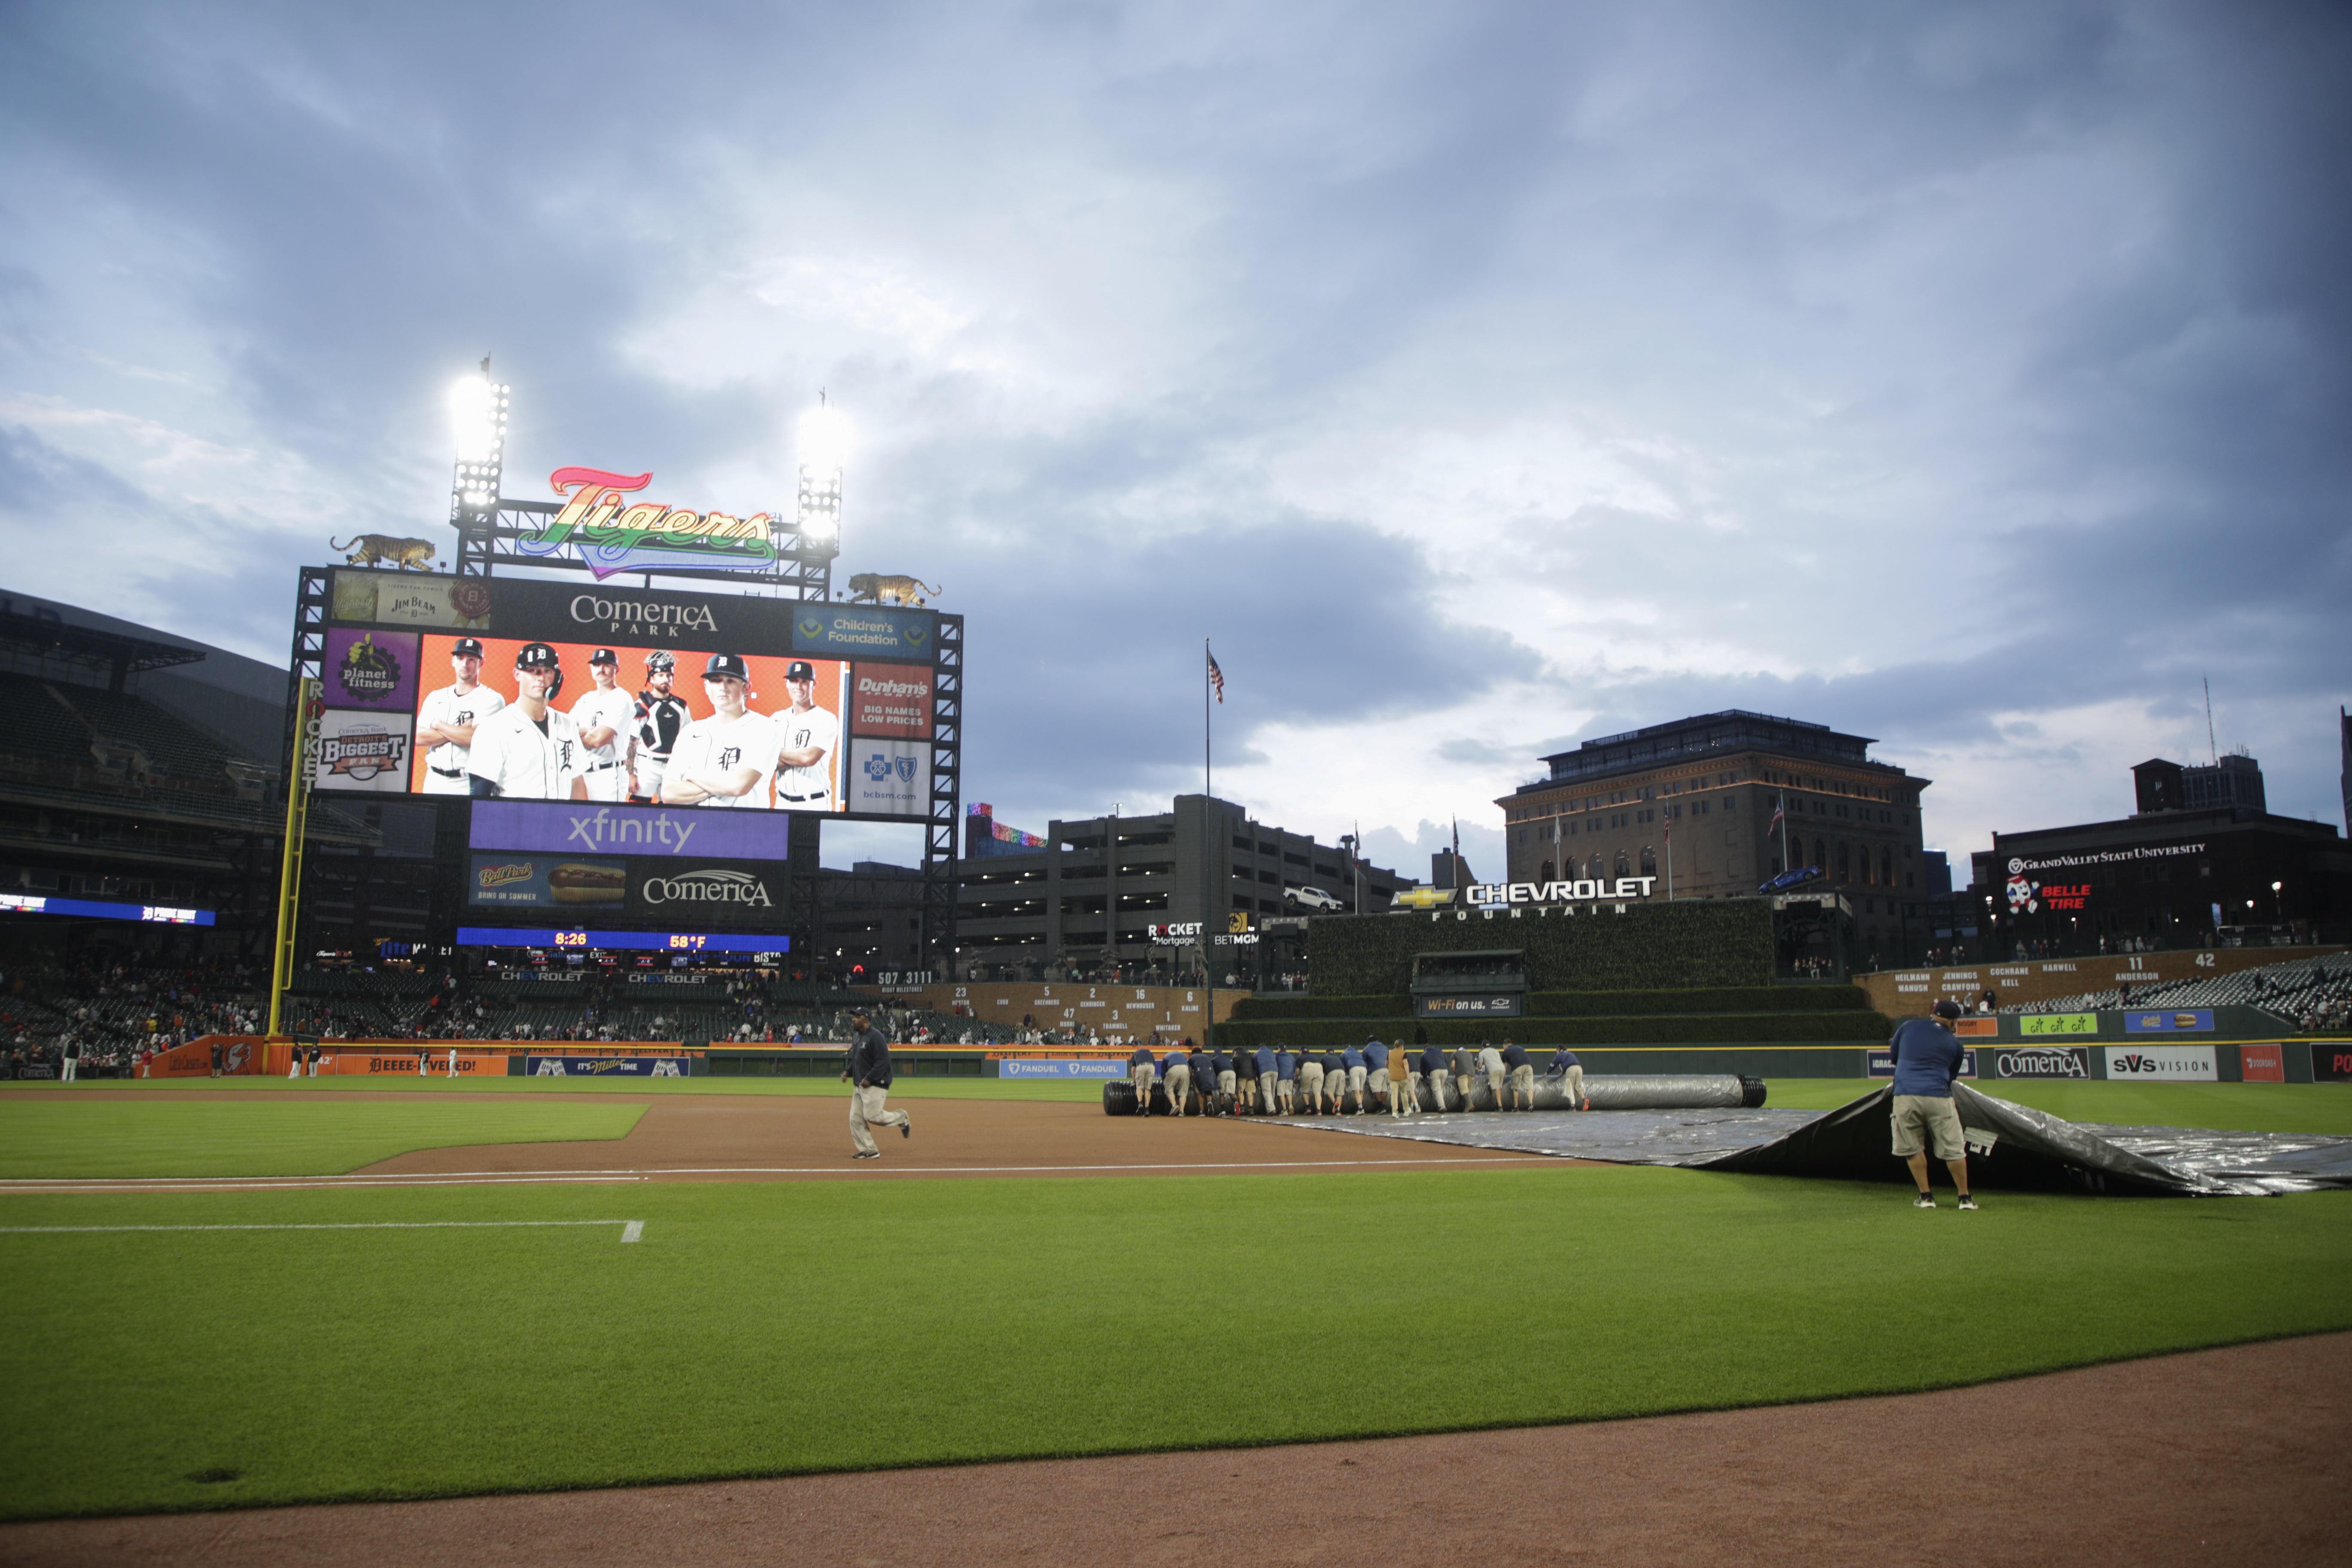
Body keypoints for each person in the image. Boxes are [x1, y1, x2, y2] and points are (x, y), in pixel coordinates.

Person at [468, 643, 588, 800]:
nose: (541, 677)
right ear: (517, 674)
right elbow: (479, 794)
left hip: (561, 822)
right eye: (532, 671)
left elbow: (577, 782)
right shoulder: (494, 728)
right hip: (515, 821)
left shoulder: (568, 724)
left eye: (548, 671)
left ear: (557, 678)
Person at [662, 655, 780, 808]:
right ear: (706, 687)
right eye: (716, 680)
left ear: (746, 688)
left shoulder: (763, 728)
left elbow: (739, 786)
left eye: (730, 681)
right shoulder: (690, 731)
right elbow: (668, 794)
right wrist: (724, 785)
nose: (722, 687)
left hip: (746, 827)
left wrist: (692, 775)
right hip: (696, 827)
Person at [1891, 1000, 1977, 1210]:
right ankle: (1965, 1199)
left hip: (1906, 1094)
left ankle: (1926, 1197)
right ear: (1954, 1021)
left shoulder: (1908, 1026)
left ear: (1933, 1013)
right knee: (1954, 1149)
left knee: (1912, 1147)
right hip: (1939, 1096)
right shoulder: (1956, 1044)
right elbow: (1951, 1078)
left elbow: (1895, 1057)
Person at [417, 637, 505, 794]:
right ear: (453, 661)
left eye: (471, 659)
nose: (465, 664)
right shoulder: (435, 697)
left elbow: (475, 739)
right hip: (433, 779)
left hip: (468, 782)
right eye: (460, 658)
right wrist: (460, 730)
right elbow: (417, 738)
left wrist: (438, 725)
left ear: (481, 663)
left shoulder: (492, 699)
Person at [569, 648, 637, 802]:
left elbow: (598, 740)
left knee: (605, 823)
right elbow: (565, 731)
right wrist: (591, 731)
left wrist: (579, 733)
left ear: (616, 669)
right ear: (591, 668)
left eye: (606, 665)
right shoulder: (585, 699)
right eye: (597, 665)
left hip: (607, 775)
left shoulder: (621, 698)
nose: (601, 669)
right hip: (581, 773)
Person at [772, 660, 840, 810]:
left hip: (814, 803)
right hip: (781, 802)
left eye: (804, 681)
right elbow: (766, 764)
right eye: (794, 681)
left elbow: (808, 758)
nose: (798, 686)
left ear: (813, 684)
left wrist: (774, 751)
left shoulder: (825, 718)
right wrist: (797, 756)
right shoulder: (776, 719)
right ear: (787, 684)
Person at [843, 1009, 910, 1158]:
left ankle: (901, 1118)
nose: (853, 1019)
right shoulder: (857, 1037)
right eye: (853, 1016)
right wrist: (848, 1072)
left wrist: (870, 1078)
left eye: (857, 1017)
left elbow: (884, 1061)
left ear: (866, 1020)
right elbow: (857, 1061)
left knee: (872, 1116)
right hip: (859, 1085)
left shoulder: (876, 1036)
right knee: (856, 1119)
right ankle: (870, 1150)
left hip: (876, 1083)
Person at [631, 651, 692, 803]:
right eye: (661, 675)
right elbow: (632, 741)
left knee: (670, 810)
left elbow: (689, 738)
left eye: (669, 676)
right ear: (651, 678)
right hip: (647, 765)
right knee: (637, 809)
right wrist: (631, 774)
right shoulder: (643, 705)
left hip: (673, 765)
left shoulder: (681, 706)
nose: (666, 679)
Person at [1548, 1046, 1588, 1111]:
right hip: (1579, 1068)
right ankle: (1584, 1099)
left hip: (1571, 1069)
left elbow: (1553, 1065)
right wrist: (1563, 1072)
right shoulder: (1571, 1054)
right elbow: (1571, 1062)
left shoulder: (1560, 1055)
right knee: (1578, 1087)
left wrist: (1547, 1073)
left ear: (1559, 1050)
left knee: (1570, 1088)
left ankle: (1573, 1106)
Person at [1500, 1038, 1534, 1110]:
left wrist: (1503, 1077)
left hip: (1518, 1068)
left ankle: (1516, 1107)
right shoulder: (1520, 1048)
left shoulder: (1506, 1052)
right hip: (1529, 1066)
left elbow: (1505, 1067)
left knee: (1516, 1088)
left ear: (1505, 1046)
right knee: (1529, 1087)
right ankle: (1531, 1104)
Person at [1128, 1040, 1158, 1114]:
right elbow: (1154, 1065)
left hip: (1141, 1066)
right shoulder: (1150, 1053)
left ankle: (1140, 1103)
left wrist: (1134, 1081)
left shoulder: (1135, 1053)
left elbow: (1133, 1070)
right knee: (1148, 1089)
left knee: (1140, 1087)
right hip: (1151, 1067)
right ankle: (1147, 1109)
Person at [1163, 1044, 1192, 1118]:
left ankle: (1174, 1106)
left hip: (1173, 1068)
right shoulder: (1183, 1055)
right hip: (1185, 1069)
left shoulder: (1167, 1056)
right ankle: (1182, 1112)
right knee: (1183, 1092)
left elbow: (1163, 1071)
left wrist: (1164, 1081)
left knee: (1168, 1087)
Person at [1421, 1042, 1451, 1111]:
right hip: (1445, 1070)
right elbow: (1446, 1062)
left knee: (1437, 1089)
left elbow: (1422, 1070)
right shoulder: (1440, 1052)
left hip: (1434, 1071)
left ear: (1425, 1049)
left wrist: (1425, 1077)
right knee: (1441, 1088)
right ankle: (1441, 1104)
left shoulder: (1424, 1055)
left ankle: (1442, 1107)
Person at [1477, 1041, 1506, 1110]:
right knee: (1499, 1088)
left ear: (1483, 1047)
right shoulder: (1496, 1051)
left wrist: (1477, 1068)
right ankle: (1499, 1104)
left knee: (1497, 1089)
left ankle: (1500, 1107)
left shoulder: (1482, 1053)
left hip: (1494, 1070)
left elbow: (1480, 1066)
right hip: (1503, 1069)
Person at [1341, 1041, 1367, 1115]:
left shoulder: (1344, 1053)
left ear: (1345, 1049)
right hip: (1364, 1069)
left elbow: (1343, 1066)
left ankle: (1361, 1109)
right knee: (1361, 1091)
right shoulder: (1358, 1052)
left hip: (1354, 1069)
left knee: (1357, 1091)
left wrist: (1348, 1073)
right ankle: (1360, 1108)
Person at [1298, 1047, 1325, 1116]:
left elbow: (1297, 1072)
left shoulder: (1300, 1057)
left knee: (1305, 1091)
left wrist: (1295, 1079)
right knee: (1318, 1093)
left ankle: (1308, 1108)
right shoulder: (1314, 1056)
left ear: (1301, 1052)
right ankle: (1319, 1110)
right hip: (1319, 1069)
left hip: (1308, 1067)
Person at [1253, 1044, 1277, 1114]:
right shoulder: (1272, 1052)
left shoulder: (1257, 1053)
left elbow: (1256, 1067)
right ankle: (1270, 1109)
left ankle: (1272, 1109)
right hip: (1275, 1071)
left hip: (1264, 1072)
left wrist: (1258, 1077)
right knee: (1272, 1090)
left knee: (1267, 1091)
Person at [1274, 1045, 1297, 1114]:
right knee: (1289, 1092)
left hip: (1282, 1076)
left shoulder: (1277, 1056)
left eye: (1278, 1049)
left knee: (1281, 1093)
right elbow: (1294, 1067)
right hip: (1290, 1076)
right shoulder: (1291, 1056)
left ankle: (1285, 1110)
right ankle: (1290, 1105)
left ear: (1280, 1049)